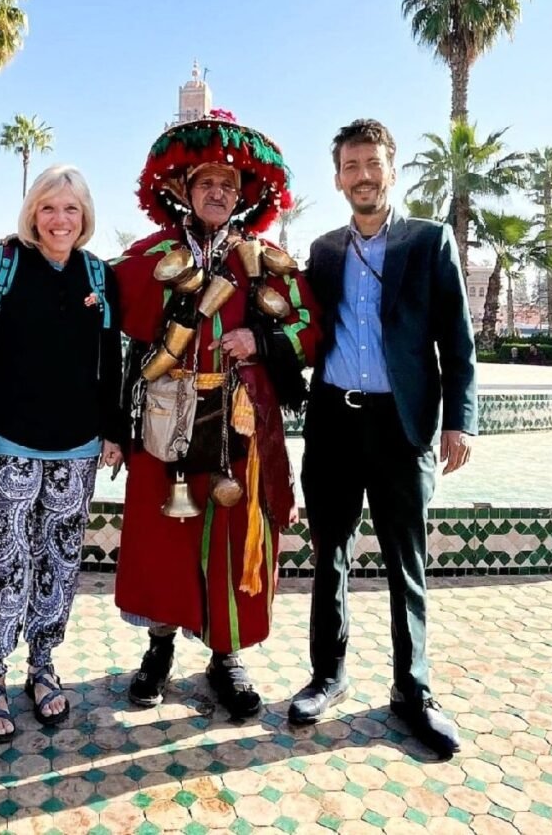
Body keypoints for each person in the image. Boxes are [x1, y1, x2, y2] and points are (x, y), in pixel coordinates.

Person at [113, 110, 321, 719]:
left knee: (235, 535)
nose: (218, 193)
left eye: (229, 186)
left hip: (242, 424)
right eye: (206, 183)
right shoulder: (152, 255)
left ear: (243, 196)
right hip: (168, 418)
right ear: (181, 190)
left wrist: (261, 341)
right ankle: (159, 649)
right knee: (165, 538)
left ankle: (227, 654)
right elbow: (114, 309)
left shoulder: (265, 259)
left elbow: (310, 326)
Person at [286, 119, 477, 759]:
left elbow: (456, 339)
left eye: (373, 163)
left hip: (402, 424)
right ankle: (327, 676)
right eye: (350, 166)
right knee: (330, 554)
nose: (362, 176)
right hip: (335, 421)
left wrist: (459, 419)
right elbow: (303, 329)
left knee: (406, 563)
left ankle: (412, 690)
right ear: (338, 177)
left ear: (391, 169)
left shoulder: (429, 241)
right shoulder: (325, 249)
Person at [0, 165, 125, 743]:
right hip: (9, 437)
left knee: (59, 557)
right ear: (33, 213)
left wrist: (114, 430)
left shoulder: (99, 276)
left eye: (71, 210)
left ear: (85, 218)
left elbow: (113, 361)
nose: (60, 220)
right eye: (50, 208)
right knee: (5, 560)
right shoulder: (4, 265)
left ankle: (43, 665)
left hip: (77, 444)